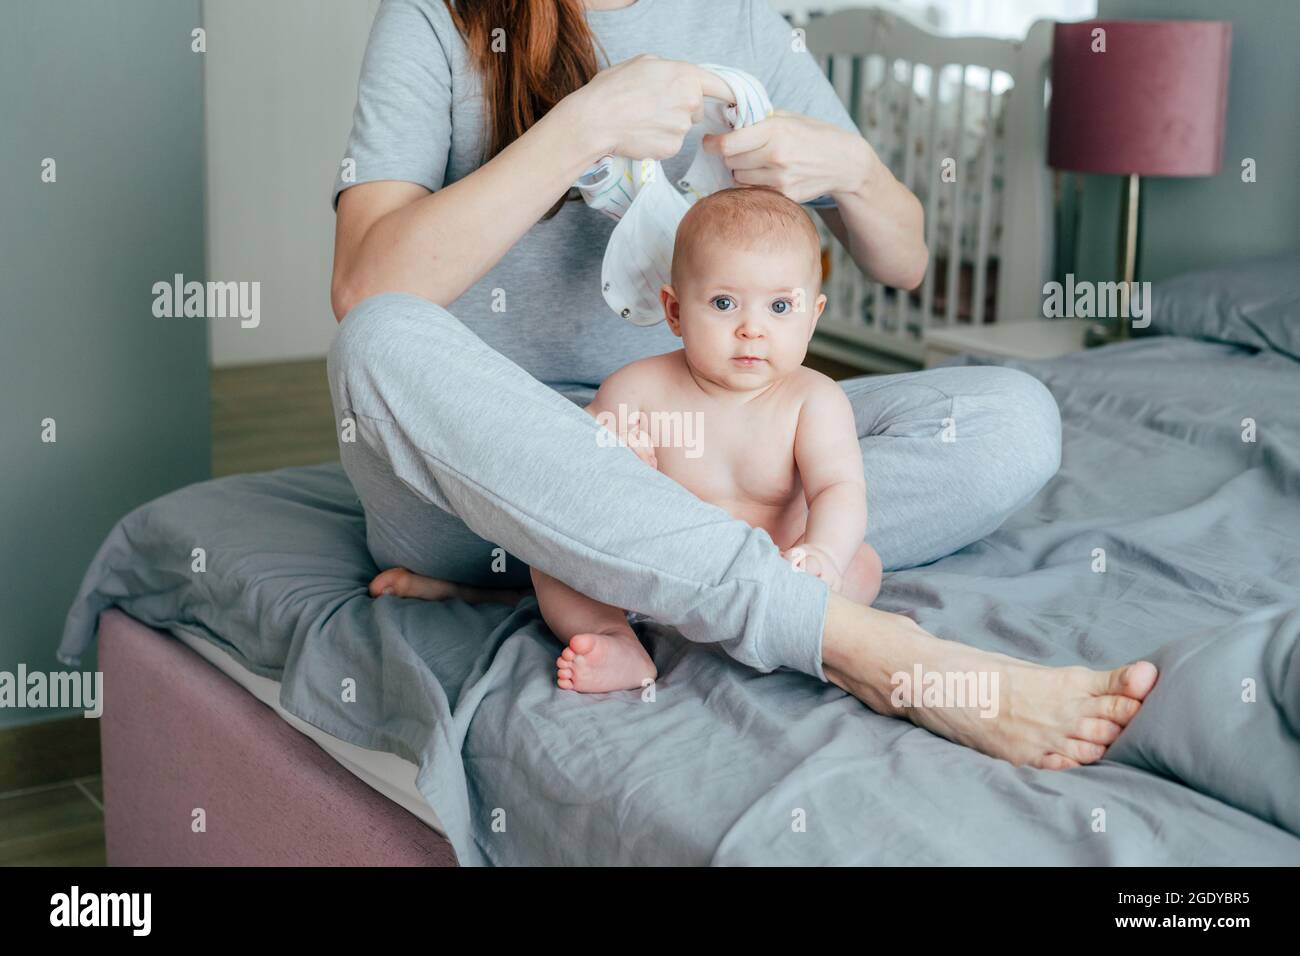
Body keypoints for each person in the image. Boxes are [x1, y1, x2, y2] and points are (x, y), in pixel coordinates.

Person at [329, 0, 1157, 770]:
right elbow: (367, 285)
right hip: (491, 475)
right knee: (378, 339)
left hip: (696, 462)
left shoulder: (744, 20)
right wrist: (581, 127)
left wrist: (856, 170)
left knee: (1011, 416)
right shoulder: (435, 16)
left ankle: (636, 570)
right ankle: (862, 645)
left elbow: (905, 260)